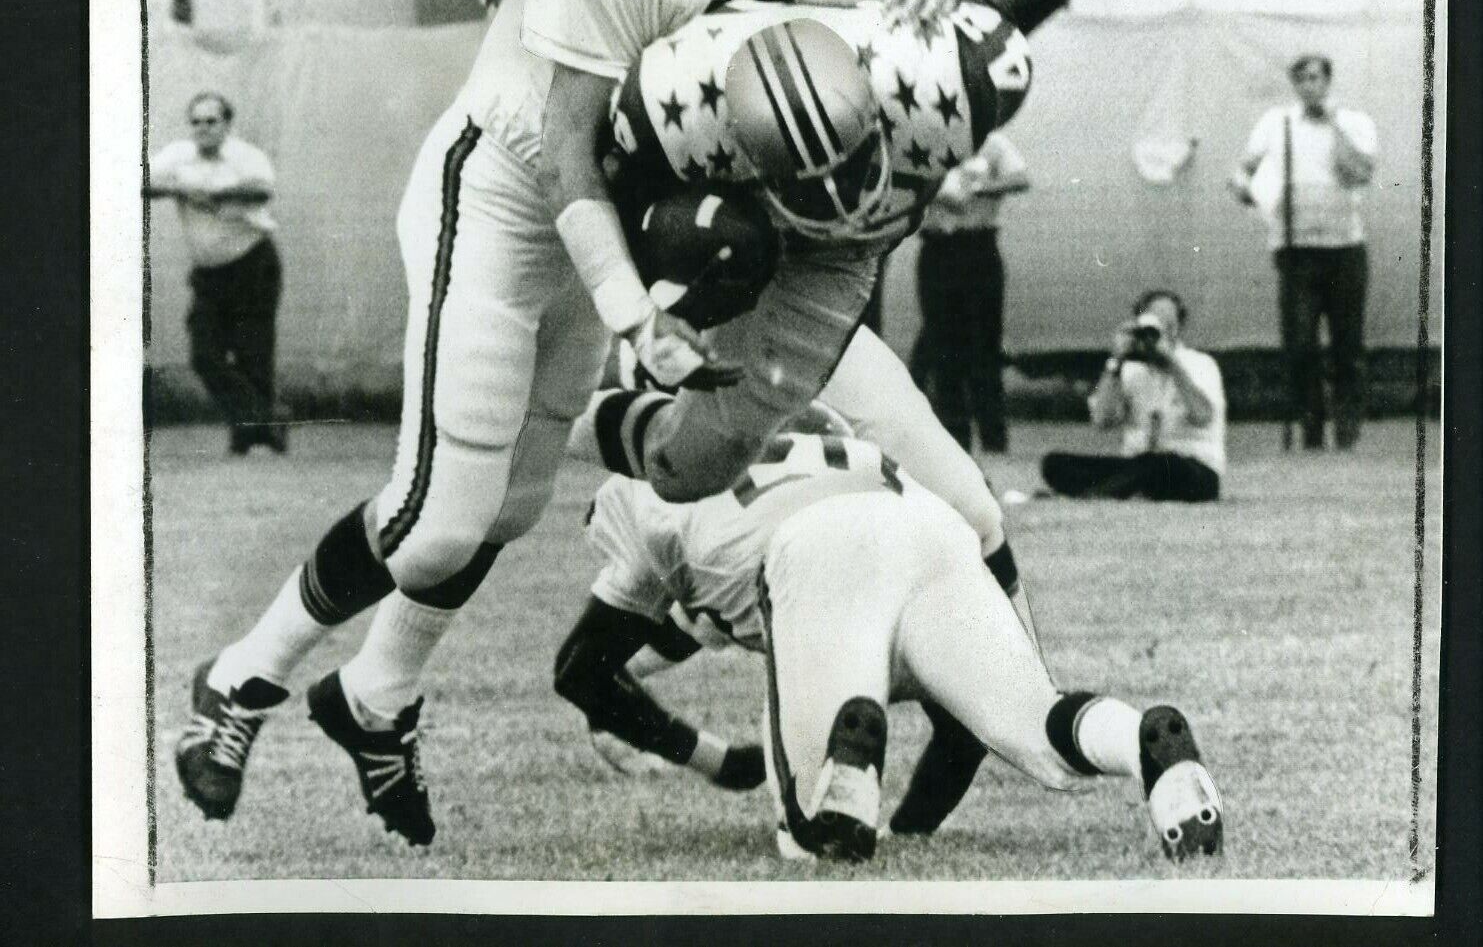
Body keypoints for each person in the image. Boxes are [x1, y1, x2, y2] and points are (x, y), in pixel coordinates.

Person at [177, 0, 945, 846]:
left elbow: (908, 18)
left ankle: (372, 701)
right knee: (433, 517)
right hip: (510, 186)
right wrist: (635, 311)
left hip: (626, 204)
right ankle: (241, 680)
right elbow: (571, 155)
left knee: (509, 507)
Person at [555, 421, 1224, 864]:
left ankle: (843, 775)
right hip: (927, 524)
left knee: (807, 834)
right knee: (1039, 727)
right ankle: (1146, 745)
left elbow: (581, 667)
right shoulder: (817, 413)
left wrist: (715, 760)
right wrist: (912, 834)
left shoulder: (641, 489)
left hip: (815, 552)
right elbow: (961, 735)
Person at [1228, 54, 1377, 450]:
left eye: (1316, 78)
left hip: (1344, 248)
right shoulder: (1276, 124)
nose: (1309, 85)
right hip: (1295, 251)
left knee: (1347, 344)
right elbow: (1244, 170)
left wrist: (1332, 124)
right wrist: (1245, 188)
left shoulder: (1355, 122)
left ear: (1328, 81)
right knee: (1300, 344)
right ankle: (1310, 425)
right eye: (1302, 79)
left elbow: (1359, 172)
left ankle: (1346, 429)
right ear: (1294, 85)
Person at [146, 91, 287, 455]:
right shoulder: (178, 156)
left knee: (252, 353)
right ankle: (268, 421)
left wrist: (215, 192)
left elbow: (262, 189)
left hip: (252, 264)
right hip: (209, 274)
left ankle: (247, 435)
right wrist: (179, 186)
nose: (203, 129)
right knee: (204, 356)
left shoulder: (245, 156)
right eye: (196, 122)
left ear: (227, 124)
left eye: (211, 122)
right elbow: (142, 181)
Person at [1041, 290, 1226, 503]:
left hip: (1191, 467)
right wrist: (1116, 361)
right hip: (1137, 465)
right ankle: (1121, 489)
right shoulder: (1130, 370)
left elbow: (1203, 416)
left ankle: (1098, 492)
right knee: (1054, 463)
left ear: (1178, 328)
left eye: (1169, 325)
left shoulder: (1201, 364)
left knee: (1159, 465)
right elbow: (1102, 421)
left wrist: (1173, 366)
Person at [910, 131, 1029, 454]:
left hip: (978, 245)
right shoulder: (918, 138)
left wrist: (977, 188)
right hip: (937, 247)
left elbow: (1020, 178)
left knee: (984, 347)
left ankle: (994, 439)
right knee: (942, 349)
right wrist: (934, 192)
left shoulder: (989, 142)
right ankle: (954, 440)